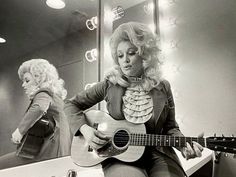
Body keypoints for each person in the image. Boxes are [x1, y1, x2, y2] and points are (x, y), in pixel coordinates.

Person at [64, 22, 203, 177]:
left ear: (144, 54)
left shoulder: (163, 86)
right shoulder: (109, 84)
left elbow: (171, 128)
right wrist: (86, 130)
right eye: (120, 55)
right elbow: (70, 104)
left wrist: (184, 145)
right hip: (119, 156)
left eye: (131, 53)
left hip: (158, 154)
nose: (125, 60)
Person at [0, 59, 71, 169]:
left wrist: (19, 131)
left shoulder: (44, 93)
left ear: (39, 79)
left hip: (46, 154)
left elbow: (39, 108)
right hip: (59, 153)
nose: (23, 85)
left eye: (27, 80)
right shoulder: (55, 97)